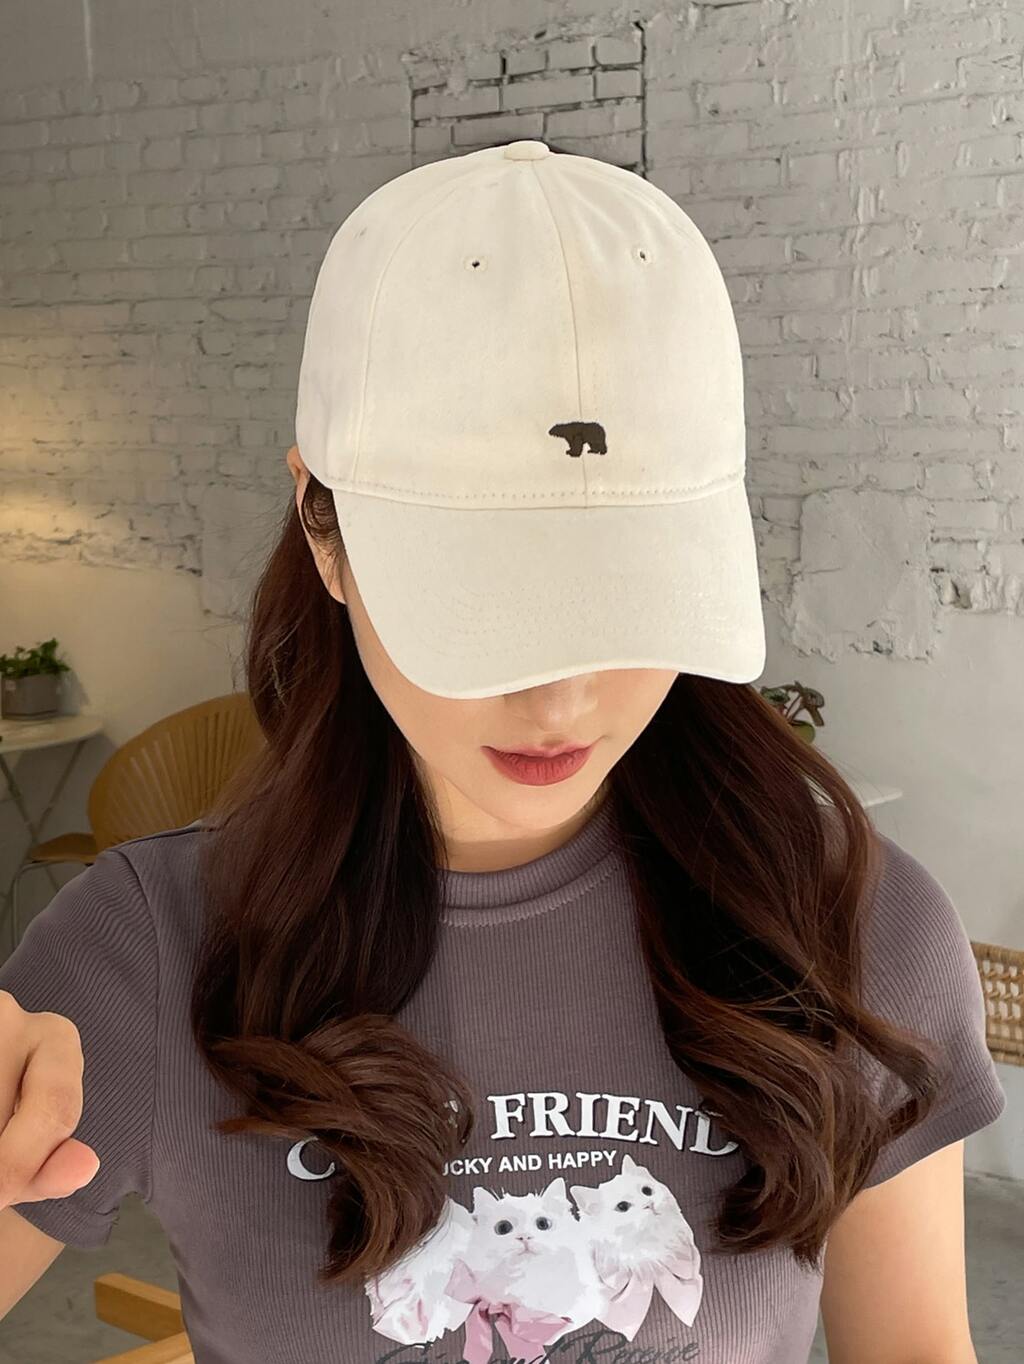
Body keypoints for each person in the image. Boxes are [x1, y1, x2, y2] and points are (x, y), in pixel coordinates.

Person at [0, 140, 1006, 1364]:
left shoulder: (859, 929)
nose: (562, 694)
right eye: (482, 603)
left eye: (628, 589)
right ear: (322, 525)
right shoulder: (144, 950)